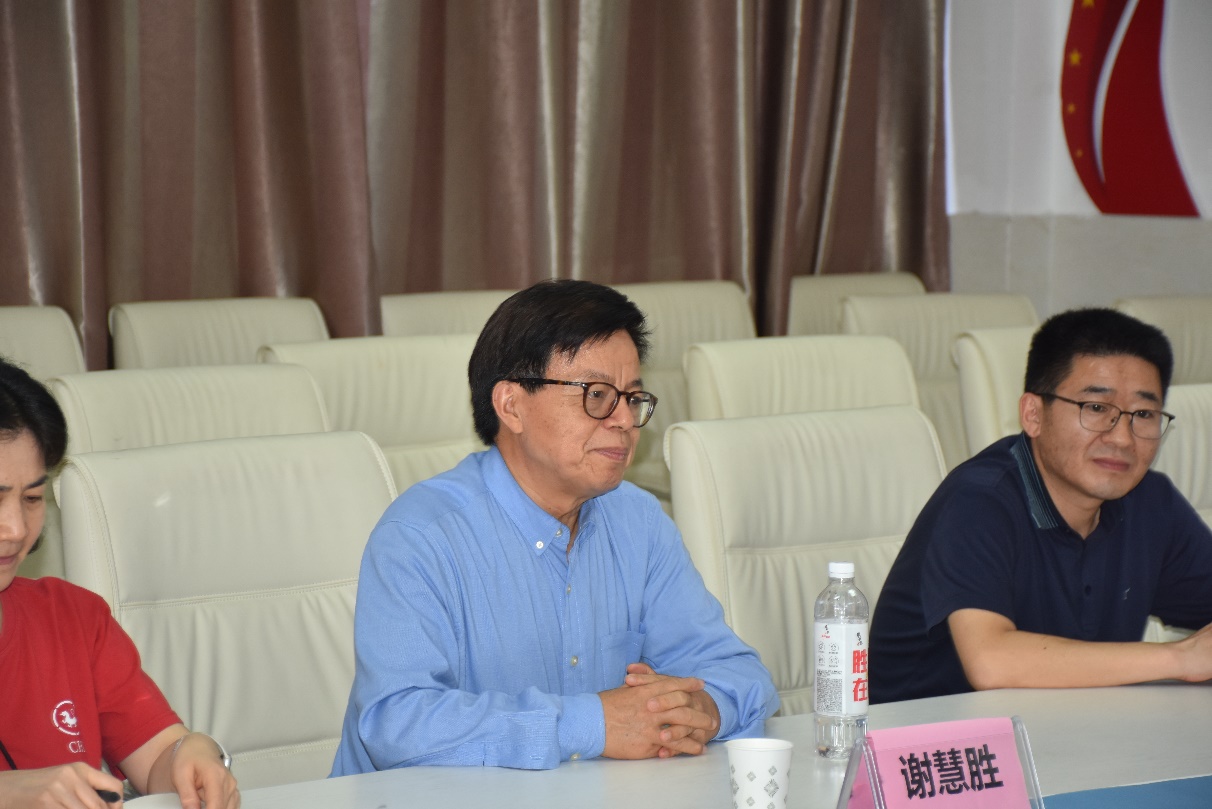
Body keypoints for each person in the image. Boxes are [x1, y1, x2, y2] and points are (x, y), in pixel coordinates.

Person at [332, 279, 778, 773]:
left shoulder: (638, 520)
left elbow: (738, 671)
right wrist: (595, 723)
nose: (623, 420)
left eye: (632, 397)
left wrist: (701, 709)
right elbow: (396, 725)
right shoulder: (420, 537)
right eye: (597, 395)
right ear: (511, 405)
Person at [869, 308, 1212, 704]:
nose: (1122, 438)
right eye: (1096, 408)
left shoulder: (1150, 502)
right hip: (933, 736)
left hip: (1074, 727)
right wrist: (1180, 658)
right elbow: (992, 662)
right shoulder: (978, 501)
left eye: (1144, 414)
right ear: (1033, 414)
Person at [0, 357, 239, 809]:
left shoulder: (73, 618)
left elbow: (156, 758)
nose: (15, 528)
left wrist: (191, 755)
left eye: (32, 498)